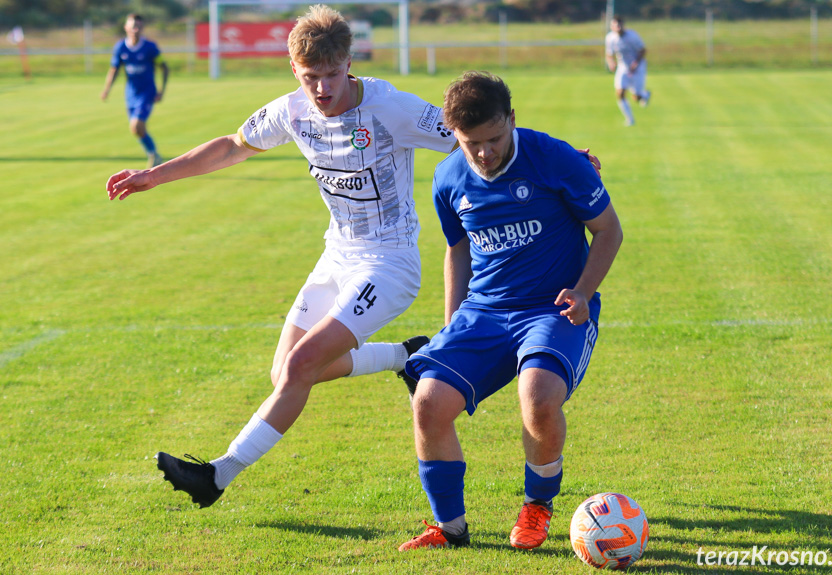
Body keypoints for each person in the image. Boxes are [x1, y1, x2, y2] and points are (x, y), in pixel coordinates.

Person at [105, 4, 459, 509]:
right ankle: (408, 356)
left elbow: (469, 133)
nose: (323, 89)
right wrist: (154, 174)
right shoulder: (291, 111)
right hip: (337, 255)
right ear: (294, 69)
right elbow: (231, 146)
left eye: (332, 75)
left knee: (300, 365)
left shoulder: (391, 108)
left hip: (388, 263)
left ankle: (217, 475)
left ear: (349, 63)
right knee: (286, 374)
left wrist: (557, 157)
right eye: (311, 77)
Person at [397, 71, 623, 552]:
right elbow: (457, 250)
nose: (483, 153)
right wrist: (451, 321)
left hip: (553, 309)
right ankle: (450, 528)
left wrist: (583, 292)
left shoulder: (556, 159)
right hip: (482, 312)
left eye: (494, 138)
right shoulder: (447, 176)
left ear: (512, 120)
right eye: (469, 143)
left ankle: (537, 506)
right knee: (429, 403)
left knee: (539, 397)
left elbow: (608, 230)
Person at [101, 13, 169, 168]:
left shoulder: (150, 47)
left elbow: (164, 68)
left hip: (147, 93)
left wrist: (161, 90)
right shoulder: (120, 47)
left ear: (142, 28)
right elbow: (114, 69)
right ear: (126, 28)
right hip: (131, 94)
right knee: (137, 130)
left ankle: (153, 155)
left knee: (136, 125)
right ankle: (154, 154)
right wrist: (106, 90)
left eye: (138, 26)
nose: (136, 29)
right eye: (133, 26)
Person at [605, 15, 650, 126]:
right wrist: (611, 63)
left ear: (623, 25)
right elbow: (609, 54)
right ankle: (630, 119)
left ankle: (644, 95)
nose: (618, 27)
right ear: (611, 26)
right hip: (623, 67)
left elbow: (643, 50)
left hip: (637, 67)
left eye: (619, 25)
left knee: (636, 97)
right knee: (620, 93)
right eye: (615, 25)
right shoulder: (610, 38)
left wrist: (636, 63)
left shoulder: (632, 36)